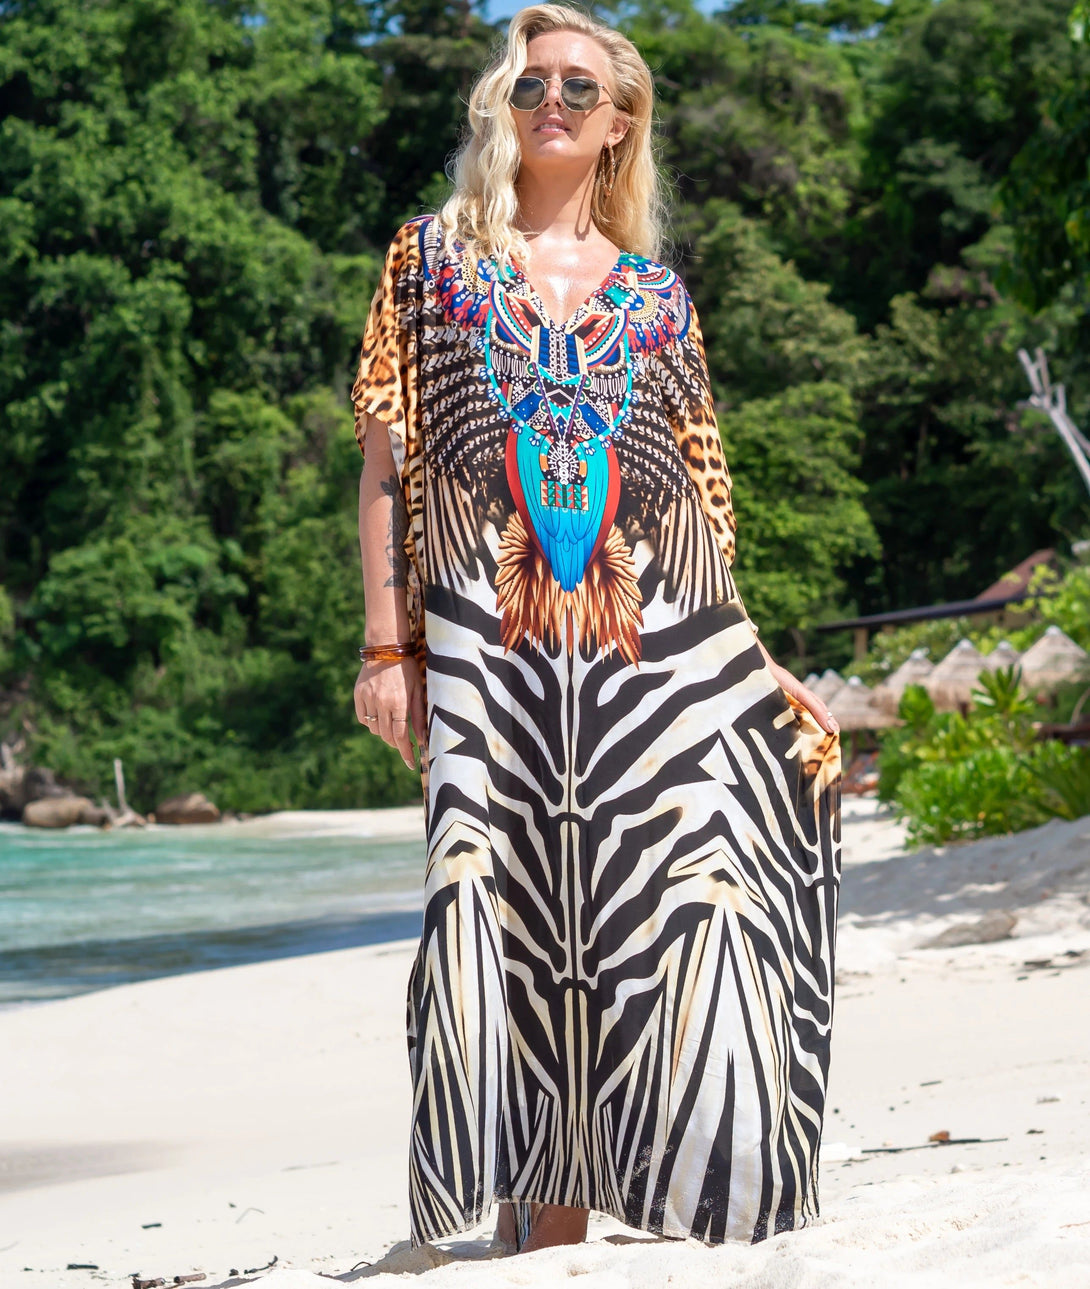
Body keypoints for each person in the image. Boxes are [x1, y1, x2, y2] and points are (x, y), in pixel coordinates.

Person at [351, 2, 842, 1254]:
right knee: (501, 906)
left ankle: (611, 1228)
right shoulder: (430, 260)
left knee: (634, 914)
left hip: (633, 663)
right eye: (528, 86)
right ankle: (537, 1238)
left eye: (576, 87)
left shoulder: (657, 299)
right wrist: (385, 646)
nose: (551, 103)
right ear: (499, 111)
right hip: (482, 653)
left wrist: (759, 659)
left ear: (620, 122)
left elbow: (696, 494)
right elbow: (385, 469)